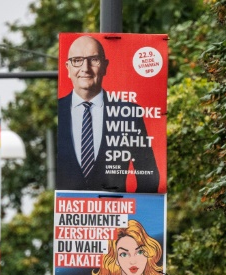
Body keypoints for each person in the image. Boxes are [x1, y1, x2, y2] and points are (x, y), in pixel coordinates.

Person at [57, 35, 160, 192]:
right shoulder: (58, 110)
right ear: (67, 67)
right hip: (68, 214)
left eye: (94, 60)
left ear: (105, 66)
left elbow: (149, 177)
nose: (85, 68)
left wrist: (131, 211)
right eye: (77, 60)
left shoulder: (129, 113)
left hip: (117, 213)